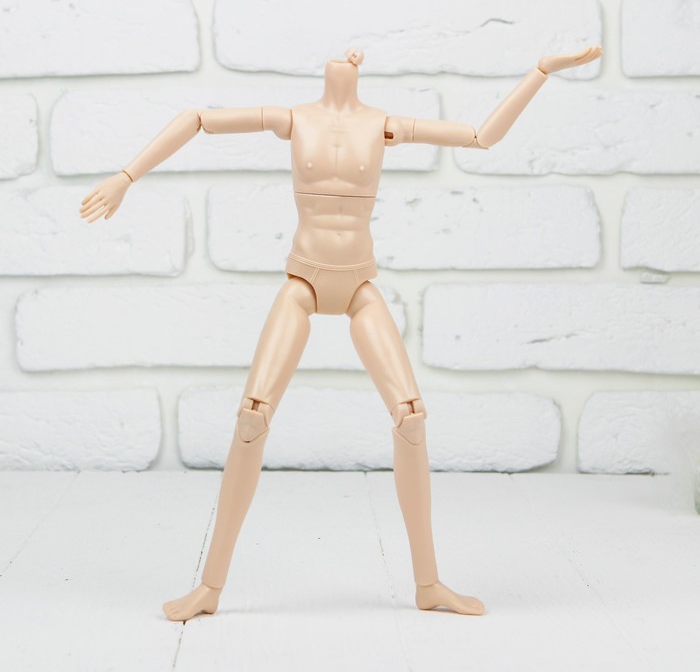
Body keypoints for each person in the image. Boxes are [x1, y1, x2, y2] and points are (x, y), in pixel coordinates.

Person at [80, 44, 603, 621]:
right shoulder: (293, 119)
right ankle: (209, 588)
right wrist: (126, 176)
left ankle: (429, 584)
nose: (342, 57)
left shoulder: (382, 125)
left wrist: (541, 71)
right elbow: (198, 119)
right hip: (302, 280)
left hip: (358, 285)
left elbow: (481, 136)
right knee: (251, 416)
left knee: (411, 417)